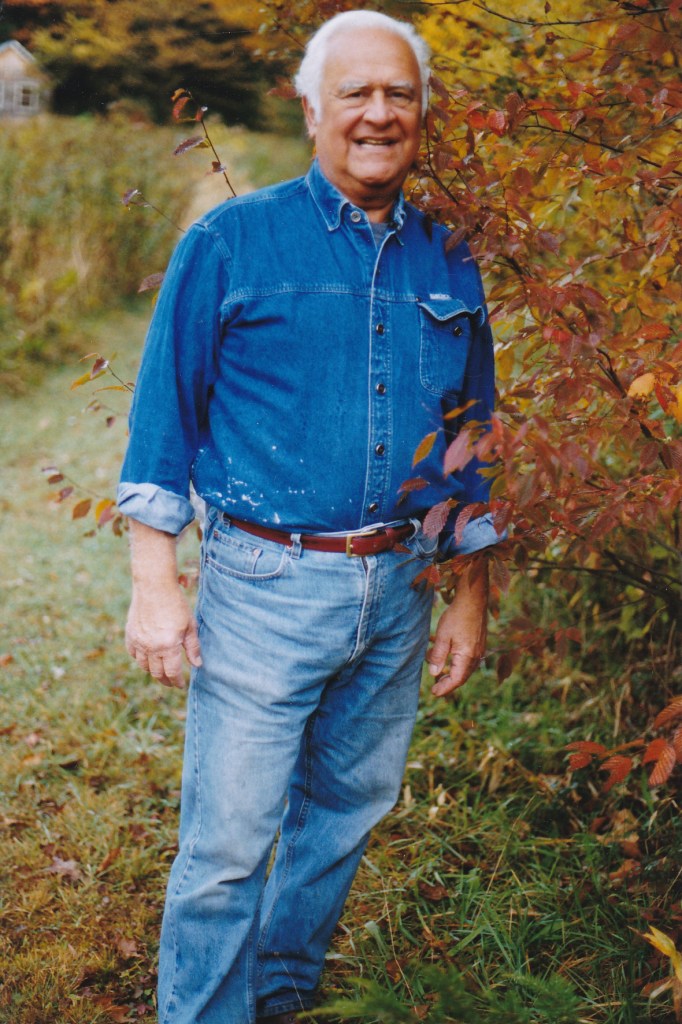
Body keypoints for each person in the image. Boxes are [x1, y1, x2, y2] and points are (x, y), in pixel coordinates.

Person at [117, 10, 501, 1024]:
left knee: (343, 814)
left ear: (423, 113)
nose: (378, 114)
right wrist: (155, 584)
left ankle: (277, 996)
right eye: (354, 93)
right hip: (265, 585)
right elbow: (163, 417)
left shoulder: (449, 259)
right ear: (309, 108)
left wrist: (469, 592)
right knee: (227, 844)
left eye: (399, 94)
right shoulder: (232, 242)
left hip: (401, 589)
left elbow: (473, 435)